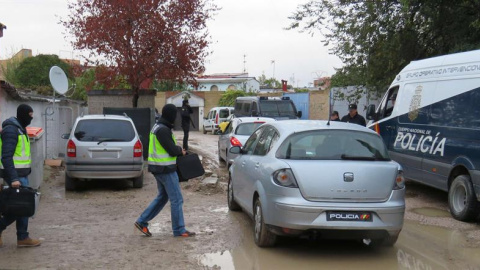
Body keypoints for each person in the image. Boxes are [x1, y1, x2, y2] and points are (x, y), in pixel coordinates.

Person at [135, 103, 196, 237]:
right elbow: (172, 150)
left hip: (159, 168)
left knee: (163, 197)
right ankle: (179, 230)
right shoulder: (163, 130)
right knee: (177, 199)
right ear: (171, 116)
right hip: (165, 169)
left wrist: (178, 150)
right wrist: (181, 151)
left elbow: (168, 147)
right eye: (175, 115)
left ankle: (142, 221)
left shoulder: (159, 127)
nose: (176, 118)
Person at [0, 104, 41, 247]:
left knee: (23, 205)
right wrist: (14, 179)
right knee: (21, 206)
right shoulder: (12, 130)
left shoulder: (19, 128)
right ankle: (20, 236)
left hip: (21, 173)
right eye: (30, 115)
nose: (31, 118)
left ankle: (22, 237)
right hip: (15, 175)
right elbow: (6, 157)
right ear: (23, 114)